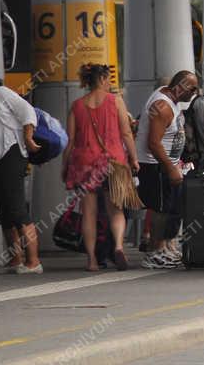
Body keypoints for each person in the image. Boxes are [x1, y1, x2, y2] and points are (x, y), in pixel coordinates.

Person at [62, 64, 140, 271]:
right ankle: (119, 247)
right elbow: (126, 133)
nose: (110, 83)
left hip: (84, 163)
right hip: (113, 162)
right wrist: (134, 158)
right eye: (108, 79)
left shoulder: (77, 106)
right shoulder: (116, 102)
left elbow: (70, 140)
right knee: (115, 210)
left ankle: (92, 261)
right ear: (103, 78)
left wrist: (64, 165)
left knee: (89, 213)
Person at [0, 65, 41, 274]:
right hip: (0, 159)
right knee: (4, 210)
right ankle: (16, 259)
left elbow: (27, 111)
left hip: (11, 155)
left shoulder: (1, 93)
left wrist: (28, 137)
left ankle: (33, 261)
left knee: (16, 209)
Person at [135, 70, 199, 269]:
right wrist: (170, 168)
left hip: (165, 164)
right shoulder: (162, 106)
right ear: (179, 88)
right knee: (160, 210)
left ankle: (162, 248)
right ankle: (154, 252)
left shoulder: (170, 98)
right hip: (156, 166)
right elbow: (154, 143)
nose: (194, 93)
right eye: (192, 88)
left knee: (167, 208)